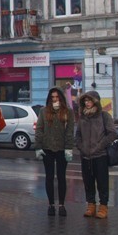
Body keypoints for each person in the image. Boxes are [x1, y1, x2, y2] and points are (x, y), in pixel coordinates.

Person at [75, 90, 116, 220]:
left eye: (90, 100)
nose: (87, 103)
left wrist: (99, 146)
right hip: (85, 156)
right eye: (85, 101)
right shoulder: (83, 117)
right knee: (88, 182)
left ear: (95, 102)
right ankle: (91, 205)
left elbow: (112, 133)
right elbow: (78, 135)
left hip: (100, 155)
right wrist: (81, 147)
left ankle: (103, 206)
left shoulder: (104, 116)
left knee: (102, 182)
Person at [35, 87, 75, 217]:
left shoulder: (68, 111)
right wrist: (38, 147)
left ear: (61, 98)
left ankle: (62, 205)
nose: (55, 99)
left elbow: (70, 131)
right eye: (52, 97)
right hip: (47, 148)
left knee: (61, 177)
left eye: (57, 97)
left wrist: (69, 148)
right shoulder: (44, 111)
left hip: (62, 148)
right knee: (49, 177)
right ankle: (51, 204)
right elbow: (39, 129)